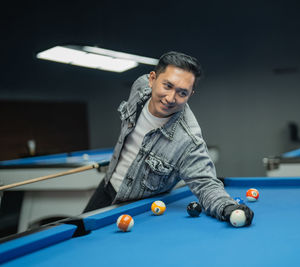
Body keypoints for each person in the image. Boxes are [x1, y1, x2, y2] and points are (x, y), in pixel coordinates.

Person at [84, 51, 254, 226]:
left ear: (190, 94)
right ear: (152, 79)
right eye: (167, 86)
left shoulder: (188, 140)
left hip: (142, 210)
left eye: (182, 93)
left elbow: (205, 184)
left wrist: (228, 207)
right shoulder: (139, 87)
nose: (171, 98)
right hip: (106, 187)